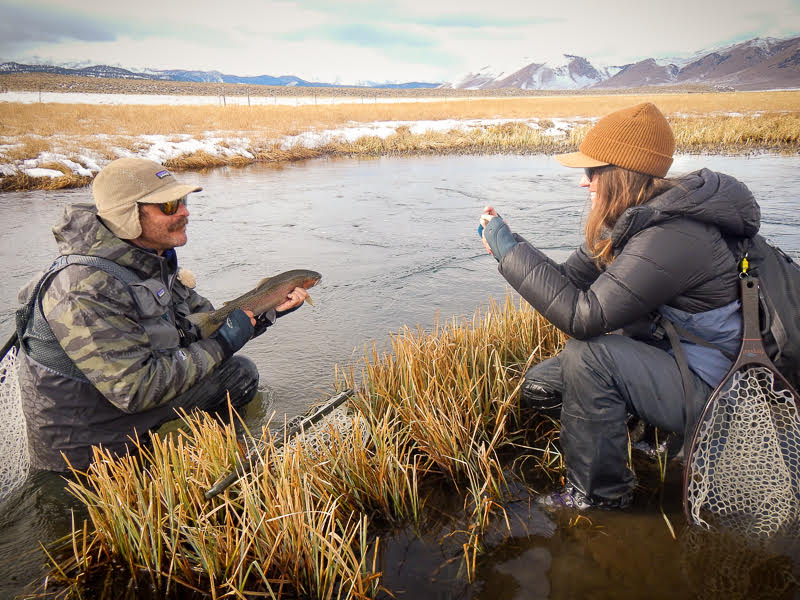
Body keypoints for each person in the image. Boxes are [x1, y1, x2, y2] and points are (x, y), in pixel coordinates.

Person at [479, 102, 760, 510]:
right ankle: (645, 436)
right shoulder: (634, 220)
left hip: (715, 388)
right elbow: (569, 279)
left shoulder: (673, 236)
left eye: (592, 171)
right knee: (543, 386)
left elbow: (584, 317)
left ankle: (599, 497)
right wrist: (509, 243)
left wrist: (508, 252)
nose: (584, 182)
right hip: (672, 359)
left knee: (589, 356)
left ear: (620, 173)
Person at [16, 157, 309, 471]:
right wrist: (223, 343)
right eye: (169, 206)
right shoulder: (83, 288)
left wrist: (265, 311)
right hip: (91, 451)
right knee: (226, 365)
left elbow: (203, 324)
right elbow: (135, 390)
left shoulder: (151, 261)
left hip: (129, 413)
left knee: (237, 375)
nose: (185, 212)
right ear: (127, 216)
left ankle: (223, 456)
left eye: (182, 201)